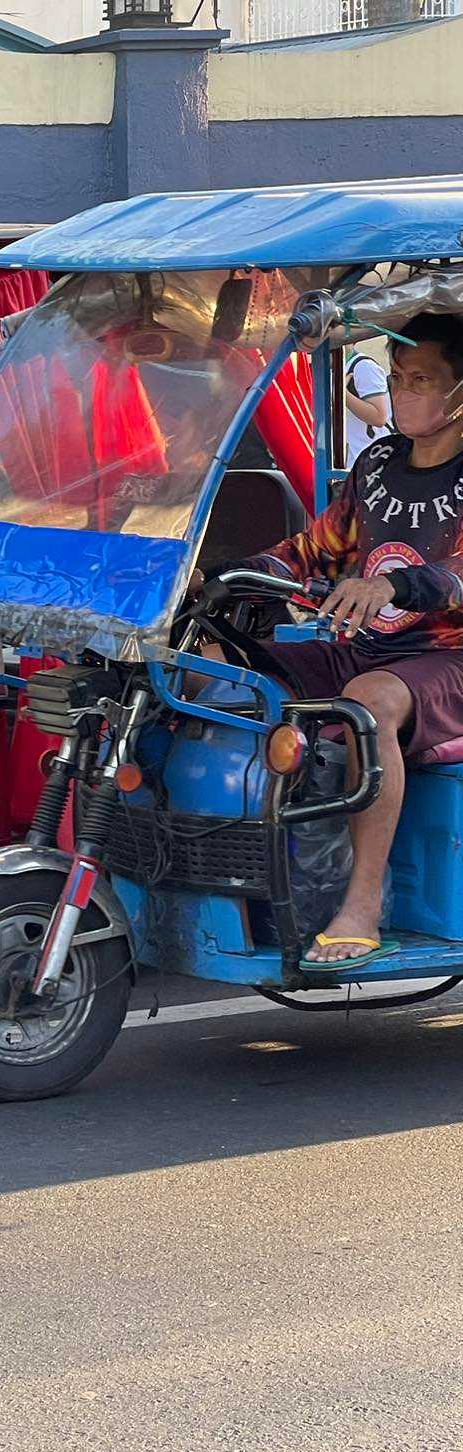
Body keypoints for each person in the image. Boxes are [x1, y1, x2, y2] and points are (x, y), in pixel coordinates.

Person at [221, 313, 463, 970]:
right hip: (366, 648)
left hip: (448, 660)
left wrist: (395, 588)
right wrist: (246, 574)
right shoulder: (379, 462)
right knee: (216, 664)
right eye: (397, 377)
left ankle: (362, 902)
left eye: (422, 380)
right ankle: (227, 868)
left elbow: (456, 576)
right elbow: (316, 548)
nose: (403, 391)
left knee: (366, 703)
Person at [343, 345, 393, 464]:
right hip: (353, 456)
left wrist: (342, 394)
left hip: (371, 458)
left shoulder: (363, 366)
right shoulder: (331, 366)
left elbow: (379, 417)